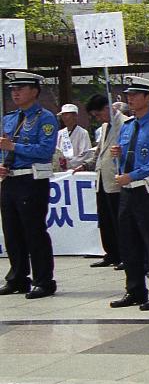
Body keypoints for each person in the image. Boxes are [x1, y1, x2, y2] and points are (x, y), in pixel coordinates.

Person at [109, 76, 149, 310]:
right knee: (128, 242)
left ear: (148, 97)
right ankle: (135, 289)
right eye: (129, 94)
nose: (131, 98)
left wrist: (133, 175)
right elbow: (126, 154)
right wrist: (118, 155)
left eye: (136, 94)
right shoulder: (127, 126)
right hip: (127, 190)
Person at [0, 71, 58, 298]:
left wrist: (14, 148)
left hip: (32, 178)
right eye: (13, 89)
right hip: (11, 178)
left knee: (33, 230)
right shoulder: (10, 118)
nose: (15, 92)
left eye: (20, 88)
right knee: (11, 230)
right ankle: (17, 277)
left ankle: (43, 280)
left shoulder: (45, 117)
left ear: (34, 91)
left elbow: (45, 150)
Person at [85, 94, 124, 270]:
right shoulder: (105, 125)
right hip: (102, 177)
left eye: (99, 114)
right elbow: (99, 150)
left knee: (119, 220)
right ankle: (111, 252)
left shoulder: (125, 123)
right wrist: (87, 164)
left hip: (116, 178)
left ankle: (124, 254)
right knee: (105, 219)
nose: (98, 118)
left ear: (107, 108)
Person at [55, 103, 92, 171]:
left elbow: (85, 154)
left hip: (76, 170)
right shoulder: (59, 133)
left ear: (75, 116)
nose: (64, 117)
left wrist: (68, 163)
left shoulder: (83, 133)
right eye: (63, 115)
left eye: (66, 114)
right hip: (61, 170)